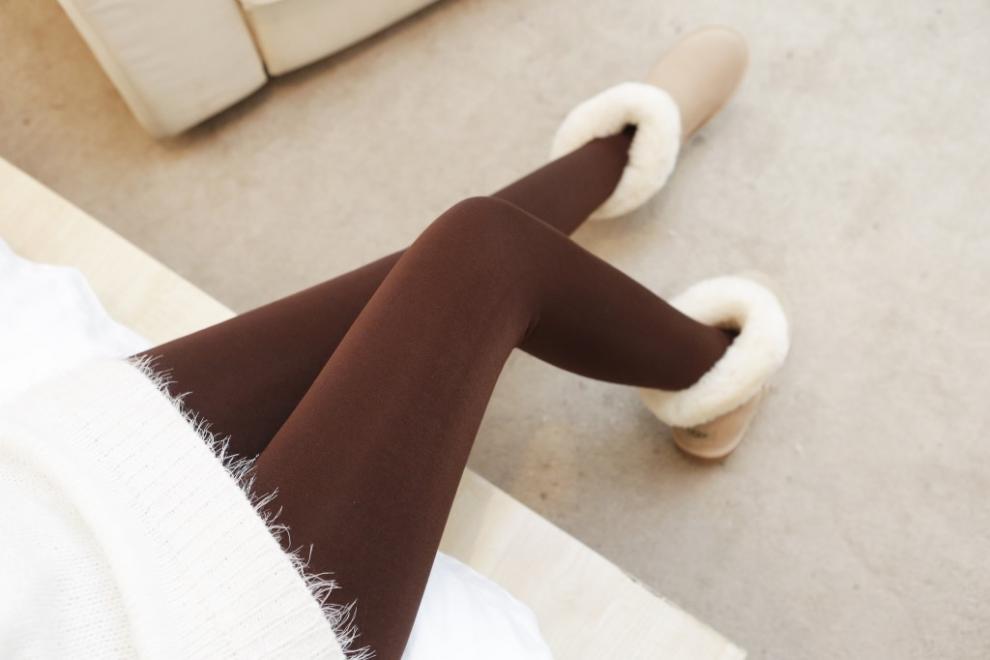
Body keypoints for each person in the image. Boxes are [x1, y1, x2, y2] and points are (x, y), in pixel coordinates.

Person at [0, 27, 788, 660]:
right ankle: (715, 366)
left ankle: (607, 161)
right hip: (187, 635)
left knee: (411, 288)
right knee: (487, 253)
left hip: (41, 504)